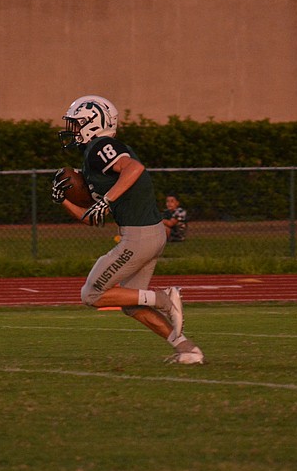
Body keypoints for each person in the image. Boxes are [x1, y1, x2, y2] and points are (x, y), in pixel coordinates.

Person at [52, 95, 204, 364]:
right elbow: (92, 218)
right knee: (133, 305)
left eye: (76, 124)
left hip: (140, 236)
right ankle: (188, 350)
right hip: (148, 233)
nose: (72, 130)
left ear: (93, 122)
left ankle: (165, 298)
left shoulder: (101, 146)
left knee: (91, 294)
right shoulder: (93, 158)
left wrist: (107, 200)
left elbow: (134, 168)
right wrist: (63, 200)